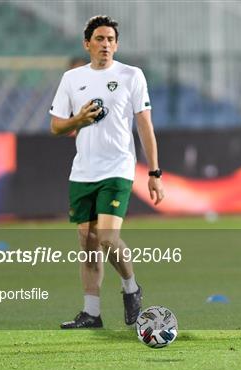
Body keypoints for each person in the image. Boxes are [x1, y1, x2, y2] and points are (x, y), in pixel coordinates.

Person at [49, 15, 164, 328]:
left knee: (108, 236)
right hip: (83, 171)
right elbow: (57, 125)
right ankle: (92, 312)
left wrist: (154, 172)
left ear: (116, 44)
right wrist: (78, 120)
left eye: (111, 39)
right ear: (87, 44)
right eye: (99, 39)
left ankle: (131, 287)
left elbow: (144, 125)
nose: (106, 44)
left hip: (118, 167)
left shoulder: (131, 75)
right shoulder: (72, 79)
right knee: (87, 239)